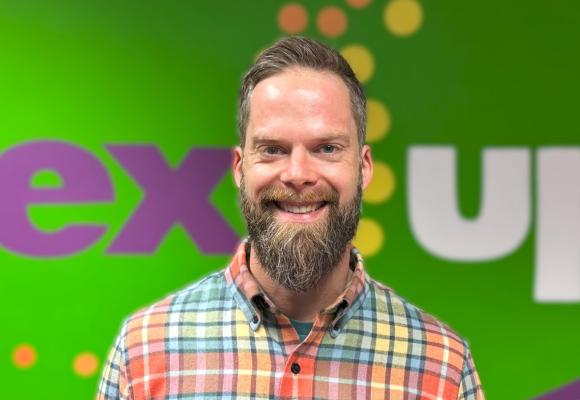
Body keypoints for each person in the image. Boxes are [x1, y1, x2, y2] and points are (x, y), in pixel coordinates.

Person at [97, 36, 484, 400]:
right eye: (273, 149)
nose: (298, 173)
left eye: (327, 148)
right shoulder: (144, 350)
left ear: (363, 167)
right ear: (239, 167)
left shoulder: (442, 367)